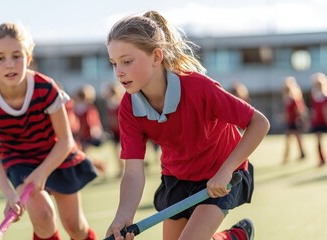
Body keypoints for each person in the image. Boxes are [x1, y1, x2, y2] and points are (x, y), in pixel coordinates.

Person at [105, 11, 270, 240]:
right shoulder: (128, 107)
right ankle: (234, 237)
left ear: (156, 57)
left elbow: (259, 123)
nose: (118, 71)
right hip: (177, 178)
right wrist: (123, 215)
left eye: (127, 61)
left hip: (220, 171)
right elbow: (133, 171)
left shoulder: (198, 88)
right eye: (114, 63)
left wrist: (226, 170)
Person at [0, 22, 97, 240]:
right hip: (20, 161)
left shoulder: (45, 88)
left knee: (76, 228)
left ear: (28, 58)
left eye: (16, 56)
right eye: (0, 58)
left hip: (57, 155)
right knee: (44, 217)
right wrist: (9, 194)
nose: (9, 64)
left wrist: (42, 173)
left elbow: (65, 141)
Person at [282, 76, 307, 164]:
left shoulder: (293, 99)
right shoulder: (286, 99)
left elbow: (298, 110)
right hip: (290, 122)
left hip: (295, 121)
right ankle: (290, 156)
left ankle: (300, 154)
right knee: (291, 139)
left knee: (296, 139)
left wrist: (301, 119)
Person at [308, 72, 327, 167]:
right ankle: (321, 159)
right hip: (318, 122)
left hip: (325, 121)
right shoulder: (314, 97)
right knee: (318, 141)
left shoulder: (325, 97)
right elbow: (314, 110)